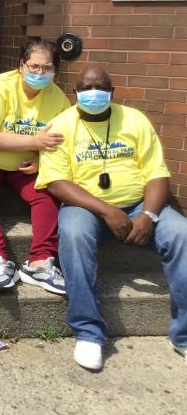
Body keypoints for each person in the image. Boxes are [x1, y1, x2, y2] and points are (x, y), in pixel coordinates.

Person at [36, 66, 187, 371]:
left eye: (100, 86)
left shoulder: (134, 120)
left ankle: (183, 335)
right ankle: (89, 332)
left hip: (138, 205)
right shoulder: (60, 125)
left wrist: (148, 214)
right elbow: (57, 183)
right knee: (74, 234)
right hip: (86, 207)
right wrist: (107, 211)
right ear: (75, 93)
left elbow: (157, 174)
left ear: (112, 91)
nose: (93, 92)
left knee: (183, 233)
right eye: (86, 87)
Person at [0, 40, 70, 295]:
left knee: (48, 193)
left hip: (25, 164)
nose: (39, 73)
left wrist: (42, 161)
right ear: (21, 66)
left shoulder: (59, 99)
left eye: (46, 68)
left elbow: (64, 143)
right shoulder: (0, 87)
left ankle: (40, 263)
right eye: (33, 66)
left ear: (56, 71)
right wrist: (34, 141)